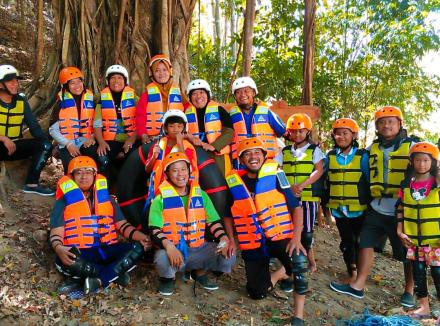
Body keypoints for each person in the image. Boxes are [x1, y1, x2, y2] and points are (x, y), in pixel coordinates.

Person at [330, 106, 416, 308]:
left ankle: (410, 290)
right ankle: (358, 285)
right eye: (382, 122)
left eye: (391, 121)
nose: (386, 125)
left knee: (405, 253)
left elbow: (430, 164)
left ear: (400, 124)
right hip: (377, 207)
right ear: (377, 126)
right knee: (365, 243)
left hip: (402, 209)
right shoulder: (372, 148)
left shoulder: (413, 145)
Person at [225, 137, 308, 325]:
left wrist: (296, 238)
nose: (252, 157)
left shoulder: (276, 175)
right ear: (241, 159)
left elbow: (296, 207)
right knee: (257, 292)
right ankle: (280, 274)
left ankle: (298, 316)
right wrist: (231, 239)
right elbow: (227, 215)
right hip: (253, 241)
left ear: (263, 155)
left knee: (299, 261)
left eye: (256, 153)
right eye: (247, 154)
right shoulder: (235, 181)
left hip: (279, 236)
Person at [50, 156, 151, 295]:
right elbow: (56, 234)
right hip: (82, 253)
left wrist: (142, 238)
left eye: (88, 172)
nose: (83, 177)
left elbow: (123, 226)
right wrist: (59, 248)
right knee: (63, 260)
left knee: (137, 248)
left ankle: (97, 280)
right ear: (72, 177)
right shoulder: (62, 202)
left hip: (107, 250)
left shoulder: (108, 200)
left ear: (95, 175)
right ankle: (114, 274)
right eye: (78, 173)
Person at [148, 152, 235, 295]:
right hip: (175, 250)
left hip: (198, 248)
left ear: (189, 171)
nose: (180, 174)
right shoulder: (160, 199)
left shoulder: (201, 195)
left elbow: (213, 222)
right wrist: (169, 246)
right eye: (174, 170)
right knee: (161, 258)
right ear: (167, 175)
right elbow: (154, 229)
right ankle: (167, 279)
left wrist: (224, 238)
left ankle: (199, 274)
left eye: (183, 169)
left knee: (229, 255)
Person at [276, 113, 325, 273]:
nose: (297, 134)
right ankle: (290, 260)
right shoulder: (284, 151)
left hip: (307, 197)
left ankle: (310, 262)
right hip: (288, 198)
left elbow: (319, 170)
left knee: (306, 233)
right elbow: (277, 170)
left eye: (301, 131)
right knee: (290, 230)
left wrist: (302, 185)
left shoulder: (313, 150)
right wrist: (288, 187)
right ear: (289, 132)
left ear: (307, 132)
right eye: (294, 131)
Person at [397, 142, 440, 318]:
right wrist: (400, 231)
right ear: (411, 162)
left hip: (435, 241)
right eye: (417, 160)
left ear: (433, 162)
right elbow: (400, 209)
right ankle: (424, 306)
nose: (421, 164)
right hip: (414, 242)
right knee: (418, 273)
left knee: (438, 274)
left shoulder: (437, 184)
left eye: (425, 160)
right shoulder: (406, 184)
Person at [324, 118, 369, 281]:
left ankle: (359, 270)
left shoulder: (362, 156)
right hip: (339, 209)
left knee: (359, 241)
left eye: (345, 133)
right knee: (347, 242)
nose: (341, 137)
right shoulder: (329, 157)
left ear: (353, 135)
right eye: (338, 134)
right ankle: (352, 271)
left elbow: (369, 180)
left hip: (359, 209)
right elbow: (324, 180)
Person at [0, 64, 53, 196]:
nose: (15, 84)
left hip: (14, 147)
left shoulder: (21, 101)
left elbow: (34, 127)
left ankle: (31, 184)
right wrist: (3, 138)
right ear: (1, 85)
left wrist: (47, 147)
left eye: (16, 80)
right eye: (10, 81)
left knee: (45, 145)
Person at [49, 66, 103, 173]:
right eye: (72, 83)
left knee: (100, 160)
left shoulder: (91, 99)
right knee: (71, 168)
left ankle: (98, 187)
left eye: (79, 82)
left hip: (87, 141)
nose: (77, 86)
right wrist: (68, 144)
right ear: (66, 86)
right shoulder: (60, 103)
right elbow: (53, 130)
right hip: (67, 143)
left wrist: (93, 137)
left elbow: (98, 123)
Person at [144, 110, 198, 206]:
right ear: (165, 128)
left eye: (179, 126)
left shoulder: (188, 147)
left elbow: (188, 168)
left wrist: (180, 142)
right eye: (171, 126)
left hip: (181, 191)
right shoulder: (158, 145)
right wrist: (154, 157)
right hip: (159, 192)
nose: (175, 129)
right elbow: (147, 170)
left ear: (184, 128)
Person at [229, 76, 286, 168]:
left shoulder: (267, 113)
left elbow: (284, 132)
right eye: (238, 92)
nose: (242, 95)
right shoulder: (230, 116)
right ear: (235, 96)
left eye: (246, 91)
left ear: (254, 93)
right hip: (241, 163)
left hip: (266, 161)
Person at [93, 65, 138, 177]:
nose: (116, 81)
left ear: (125, 81)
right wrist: (101, 142)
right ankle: (104, 190)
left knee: (134, 160)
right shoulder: (102, 99)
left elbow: (142, 122)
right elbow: (97, 123)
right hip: (110, 140)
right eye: (113, 78)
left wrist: (131, 140)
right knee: (102, 159)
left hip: (131, 139)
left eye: (119, 78)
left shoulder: (135, 99)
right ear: (108, 81)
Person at [185, 79, 233, 175]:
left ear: (207, 94)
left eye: (202, 92)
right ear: (190, 97)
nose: (198, 96)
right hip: (196, 155)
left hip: (218, 156)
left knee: (223, 182)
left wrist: (213, 146)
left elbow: (229, 132)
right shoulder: (185, 114)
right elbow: (181, 133)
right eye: (194, 94)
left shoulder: (219, 110)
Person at [136, 54, 184, 144]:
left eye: (164, 70)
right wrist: (143, 135)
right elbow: (140, 116)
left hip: (175, 137)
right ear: (152, 73)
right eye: (157, 70)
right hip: (152, 138)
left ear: (170, 71)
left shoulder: (178, 92)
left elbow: (189, 110)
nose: (161, 73)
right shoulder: (147, 93)